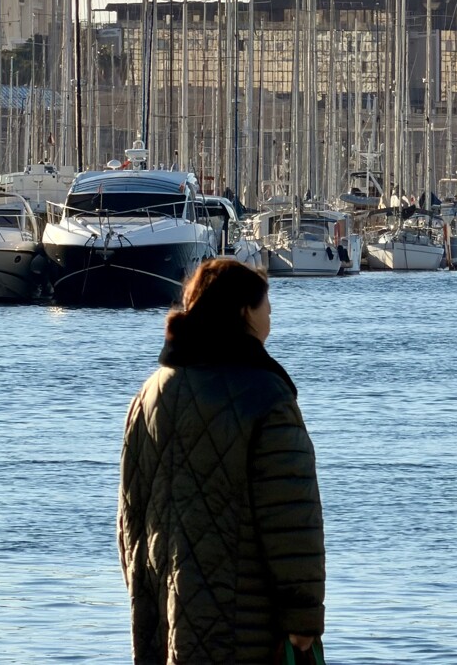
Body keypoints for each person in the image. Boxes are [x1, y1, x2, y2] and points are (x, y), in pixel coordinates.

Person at [118, 259, 325, 663]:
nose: (271, 316)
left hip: (166, 615)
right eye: (267, 305)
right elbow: (291, 516)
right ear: (245, 311)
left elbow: (130, 515)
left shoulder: (150, 393)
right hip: (247, 625)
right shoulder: (266, 396)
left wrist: (144, 591)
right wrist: (303, 619)